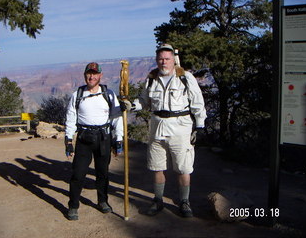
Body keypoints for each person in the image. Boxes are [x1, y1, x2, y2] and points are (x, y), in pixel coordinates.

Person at [126, 44, 207, 217]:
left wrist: (199, 126)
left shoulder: (185, 77)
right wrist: (132, 105)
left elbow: (198, 102)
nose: (164, 62)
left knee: (183, 168)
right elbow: (144, 101)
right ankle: (158, 200)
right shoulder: (152, 78)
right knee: (157, 167)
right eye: (161, 59)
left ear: (173, 60)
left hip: (181, 128)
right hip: (157, 128)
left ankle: (184, 202)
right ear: (156, 60)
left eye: (167, 59)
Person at [64, 62, 123, 220]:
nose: (91, 76)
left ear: (100, 76)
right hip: (84, 139)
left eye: (94, 74)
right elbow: (70, 118)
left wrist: (119, 139)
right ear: (85, 75)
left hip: (104, 138)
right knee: (78, 174)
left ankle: (103, 201)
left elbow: (117, 118)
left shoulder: (109, 94)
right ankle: (73, 205)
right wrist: (68, 141)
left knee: (102, 173)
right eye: (89, 73)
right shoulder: (77, 95)